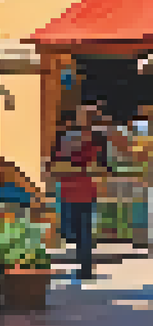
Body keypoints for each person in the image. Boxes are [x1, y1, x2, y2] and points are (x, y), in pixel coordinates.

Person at [51, 103, 134, 281]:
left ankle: (85, 268)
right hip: (80, 191)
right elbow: (102, 166)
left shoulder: (87, 139)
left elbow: (59, 164)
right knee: (80, 232)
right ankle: (85, 268)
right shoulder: (82, 139)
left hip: (79, 191)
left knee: (80, 232)